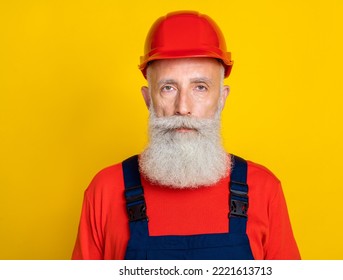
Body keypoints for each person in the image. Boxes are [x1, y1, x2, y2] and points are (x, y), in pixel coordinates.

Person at [72, 11, 300, 260]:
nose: (183, 106)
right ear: (148, 99)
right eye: (168, 88)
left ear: (222, 99)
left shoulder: (264, 190)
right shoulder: (105, 191)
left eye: (200, 87)